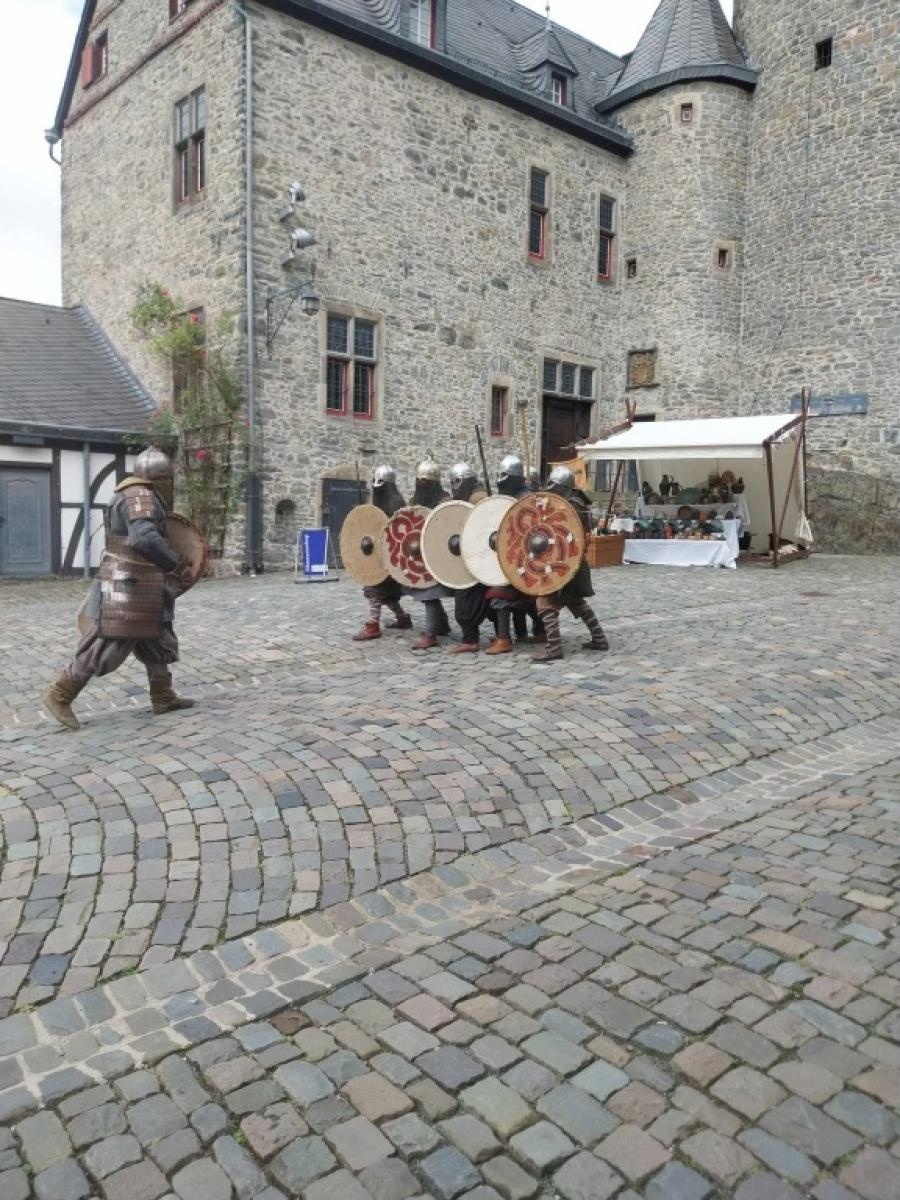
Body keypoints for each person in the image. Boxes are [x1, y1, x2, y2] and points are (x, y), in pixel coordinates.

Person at [42, 447, 195, 730]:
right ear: (159, 477)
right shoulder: (139, 496)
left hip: (142, 583)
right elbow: (144, 538)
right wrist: (174, 564)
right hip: (129, 585)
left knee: (158, 639)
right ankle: (60, 693)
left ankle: (163, 696)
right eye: (165, 478)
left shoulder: (131, 492)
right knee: (109, 641)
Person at [534, 464, 609, 663]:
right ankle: (599, 638)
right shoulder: (574, 501)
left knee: (545, 602)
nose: (551, 489)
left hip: (565, 561)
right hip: (571, 561)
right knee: (575, 601)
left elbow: (564, 533)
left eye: (555, 485)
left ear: (564, 486)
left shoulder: (571, 504)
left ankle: (554, 648)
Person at [484, 455, 545, 654]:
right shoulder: (514, 496)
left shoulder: (525, 498)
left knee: (499, 596)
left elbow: (530, 530)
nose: (500, 480)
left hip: (523, 558)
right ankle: (529, 632)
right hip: (511, 554)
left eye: (504, 476)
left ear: (514, 478)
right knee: (524, 600)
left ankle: (504, 639)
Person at [352, 464, 412, 641]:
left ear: (389, 484)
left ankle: (372, 626)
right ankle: (402, 618)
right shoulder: (378, 502)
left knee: (375, 589)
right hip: (378, 555)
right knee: (385, 593)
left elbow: (399, 534)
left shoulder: (396, 503)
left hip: (392, 556)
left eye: (381, 481)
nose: (377, 484)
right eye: (375, 481)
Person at [446, 462, 492, 654]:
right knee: (481, 599)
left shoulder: (477, 499)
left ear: (465, 481)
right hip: (475, 556)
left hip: (476, 557)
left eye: (457, 482)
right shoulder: (474, 495)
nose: (454, 486)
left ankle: (470, 640)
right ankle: (499, 636)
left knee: (466, 599)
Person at [409, 458, 452, 650]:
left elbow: (448, 528)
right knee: (425, 590)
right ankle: (441, 623)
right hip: (420, 554)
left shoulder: (445, 502)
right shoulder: (415, 501)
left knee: (429, 592)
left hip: (440, 554)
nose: (422, 485)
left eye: (426, 482)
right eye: (420, 480)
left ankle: (431, 634)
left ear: (435, 483)